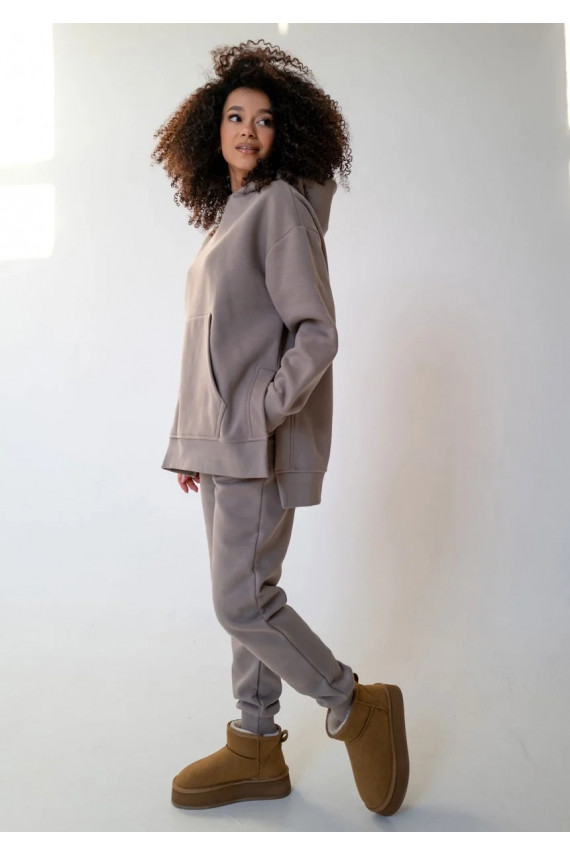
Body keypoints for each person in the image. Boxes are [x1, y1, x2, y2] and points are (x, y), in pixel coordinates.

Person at [151, 39, 409, 816]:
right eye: (234, 115)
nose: (247, 129)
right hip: (223, 445)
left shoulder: (280, 210)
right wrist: (197, 436)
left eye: (263, 119)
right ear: (212, 128)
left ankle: (351, 701)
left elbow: (316, 334)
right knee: (252, 595)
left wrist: (256, 414)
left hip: (256, 446)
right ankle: (255, 743)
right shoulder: (229, 215)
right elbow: (213, 341)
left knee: (241, 602)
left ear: (283, 133)